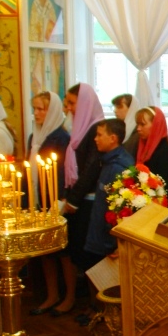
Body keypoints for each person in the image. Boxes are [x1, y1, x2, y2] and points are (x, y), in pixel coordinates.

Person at [26, 91, 74, 316]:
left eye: (41, 109)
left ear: (52, 110)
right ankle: (51, 294)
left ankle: (69, 296)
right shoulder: (34, 136)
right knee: (46, 251)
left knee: (63, 251)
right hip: (39, 199)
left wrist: (61, 199)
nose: (36, 113)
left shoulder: (61, 138)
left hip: (56, 199)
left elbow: (66, 171)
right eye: (34, 108)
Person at [60, 83, 106, 316]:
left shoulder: (97, 128)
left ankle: (96, 306)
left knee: (90, 255)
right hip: (79, 199)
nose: (68, 108)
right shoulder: (80, 127)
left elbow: (90, 170)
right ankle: (89, 304)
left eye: (72, 102)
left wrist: (73, 200)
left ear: (85, 103)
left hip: (89, 202)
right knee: (77, 252)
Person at [82, 119, 133, 272]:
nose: (95, 139)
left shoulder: (118, 167)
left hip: (105, 242)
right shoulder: (109, 161)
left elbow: (117, 209)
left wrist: (112, 243)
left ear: (112, 138)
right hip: (100, 237)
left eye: (99, 135)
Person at [134, 107, 168, 188]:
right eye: (137, 124)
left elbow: (163, 185)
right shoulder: (141, 146)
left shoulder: (164, 151)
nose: (138, 129)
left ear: (156, 125)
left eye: (142, 124)